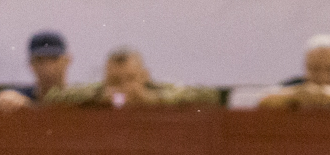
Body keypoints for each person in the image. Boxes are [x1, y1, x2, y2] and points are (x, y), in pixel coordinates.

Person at [41, 48, 221, 108]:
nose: (124, 86)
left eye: (131, 78)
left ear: (145, 76)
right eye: (116, 81)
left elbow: (210, 96)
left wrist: (155, 99)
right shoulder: (99, 91)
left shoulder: (158, 90)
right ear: (105, 78)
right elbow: (52, 98)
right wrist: (98, 97)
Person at [0, 31, 71, 110]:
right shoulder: (18, 97)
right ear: (31, 64)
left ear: (67, 60)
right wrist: (4, 100)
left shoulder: (78, 100)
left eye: (53, 58)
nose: (47, 67)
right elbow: (0, 100)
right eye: (39, 60)